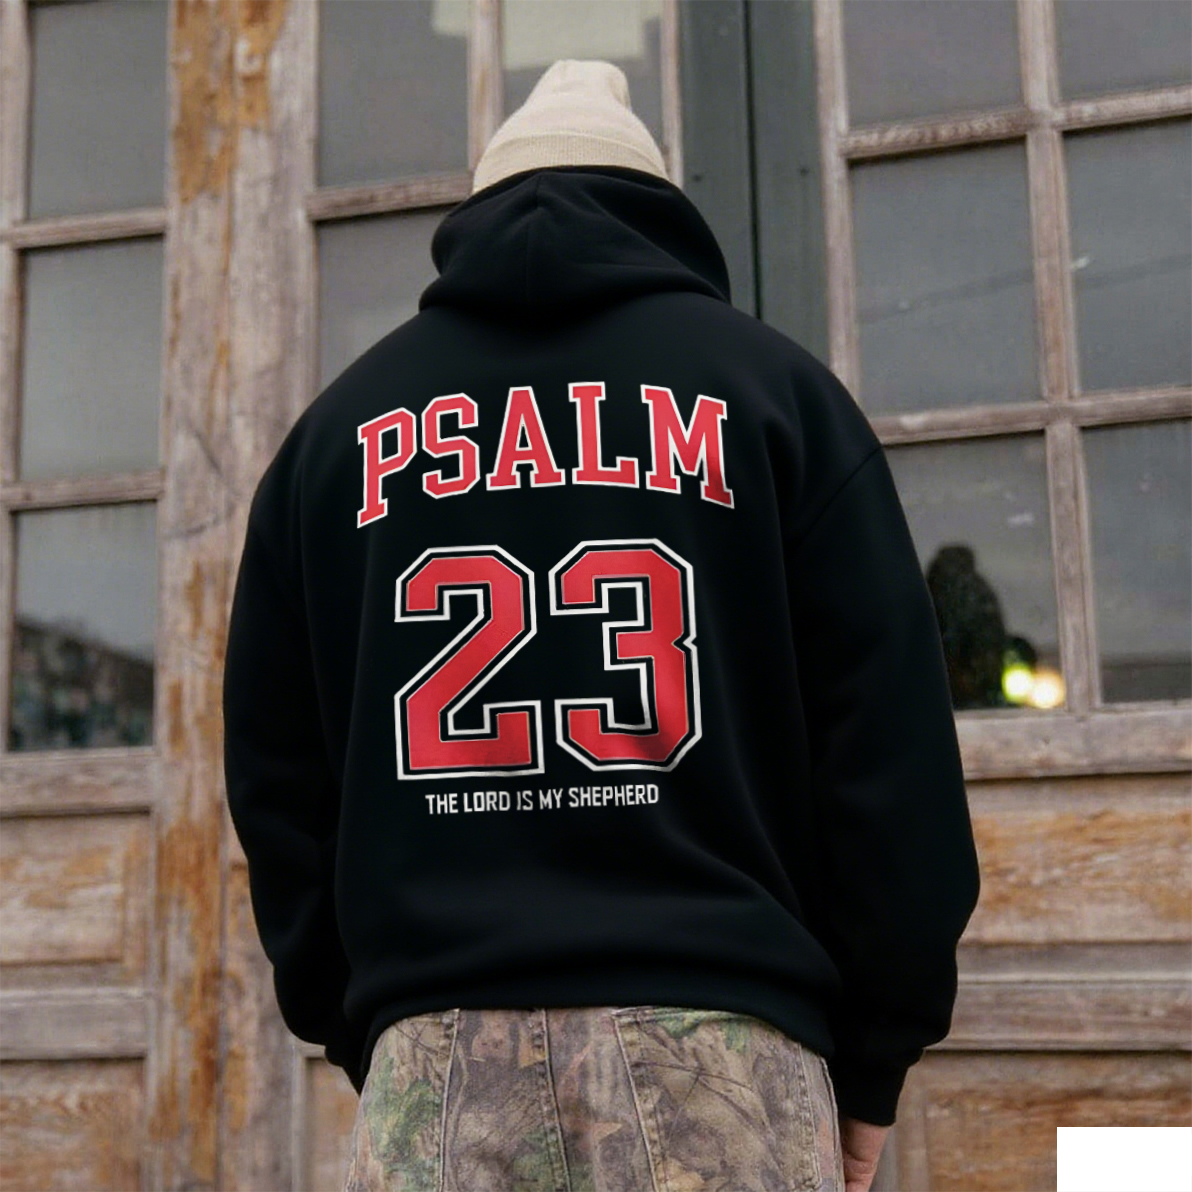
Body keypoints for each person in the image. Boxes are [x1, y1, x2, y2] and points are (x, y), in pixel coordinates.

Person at [222, 58, 981, 1192]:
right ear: (659, 210)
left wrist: (371, 1023)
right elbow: (892, 766)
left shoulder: (333, 441)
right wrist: (874, 1057)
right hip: (721, 1047)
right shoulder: (779, 399)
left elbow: (278, 785)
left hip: (439, 1049)